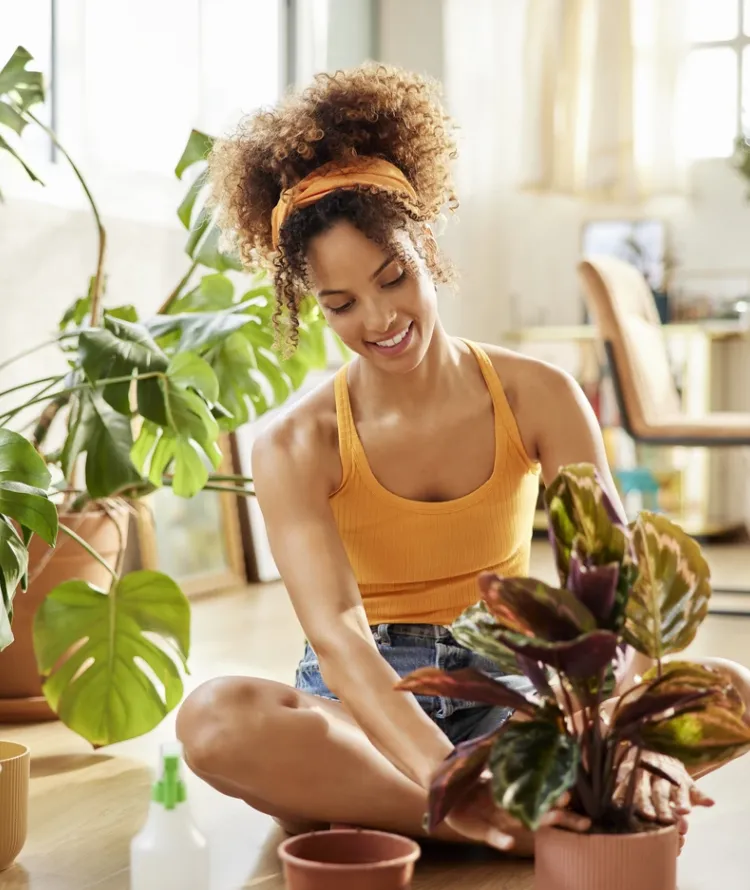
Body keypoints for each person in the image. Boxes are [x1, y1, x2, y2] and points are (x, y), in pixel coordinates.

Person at [176, 63, 750, 856]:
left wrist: (626, 732)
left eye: (394, 277)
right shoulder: (295, 442)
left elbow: (614, 594)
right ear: (311, 301)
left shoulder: (538, 395)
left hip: (512, 695)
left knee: (732, 690)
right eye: (340, 305)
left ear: (427, 242)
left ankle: (401, 815)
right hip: (366, 710)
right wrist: (453, 779)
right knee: (214, 719)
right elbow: (340, 642)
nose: (379, 319)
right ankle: (512, 820)